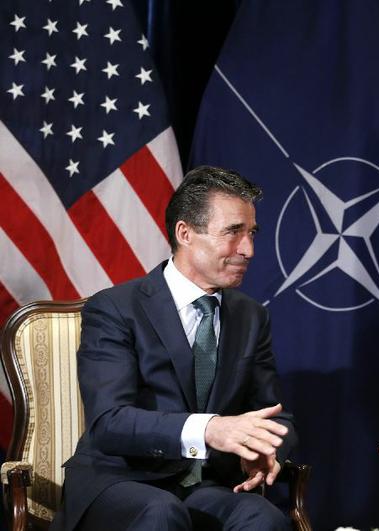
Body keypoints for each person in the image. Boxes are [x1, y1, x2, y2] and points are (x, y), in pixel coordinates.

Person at [53, 166, 298, 531]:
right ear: (185, 233)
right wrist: (209, 429)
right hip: (121, 479)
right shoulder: (116, 308)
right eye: (233, 232)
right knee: (161, 513)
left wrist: (267, 447)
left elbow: (275, 416)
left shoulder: (251, 316)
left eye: (251, 233)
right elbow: (110, 422)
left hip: (205, 485)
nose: (247, 249)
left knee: (264, 518)